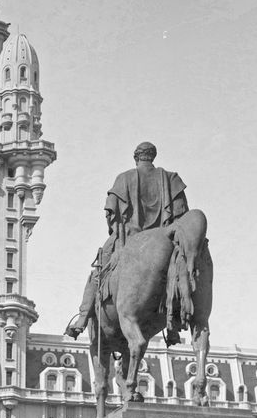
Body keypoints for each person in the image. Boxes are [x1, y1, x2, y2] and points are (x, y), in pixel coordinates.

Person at [65, 142, 189, 340]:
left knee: (98, 272)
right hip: (166, 238)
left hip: (130, 238)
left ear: (136, 157)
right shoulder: (171, 179)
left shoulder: (124, 178)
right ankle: (174, 325)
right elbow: (182, 213)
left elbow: (110, 213)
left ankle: (81, 318)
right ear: (153, 156)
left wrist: (118, 229)